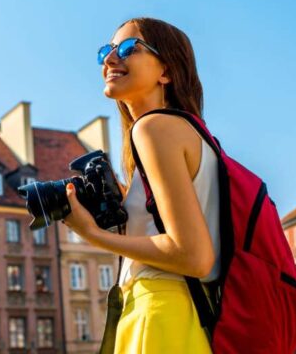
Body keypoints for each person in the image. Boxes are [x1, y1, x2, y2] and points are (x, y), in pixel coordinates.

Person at [63, 17, 219, 353]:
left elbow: (193, 255)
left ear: (166, 71)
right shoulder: (191, 133)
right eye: (106, 50)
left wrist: (93, 234)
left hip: (159, 314)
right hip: (181, 314)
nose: (110, 59)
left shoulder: (154, 129)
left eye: (128, 48)